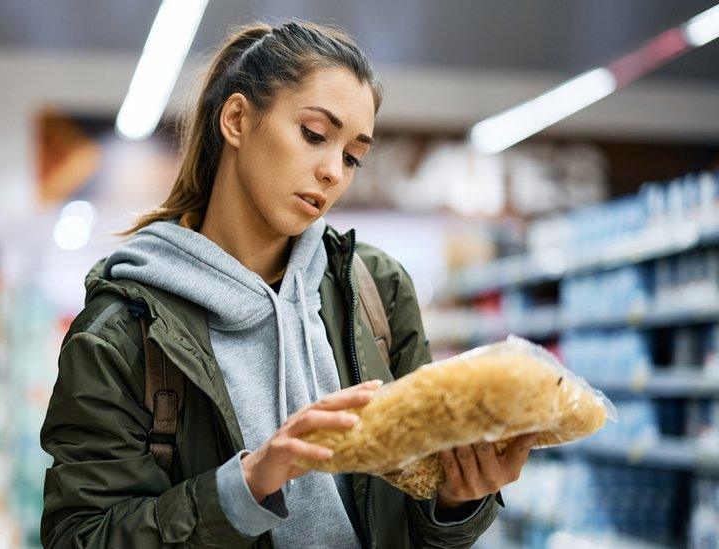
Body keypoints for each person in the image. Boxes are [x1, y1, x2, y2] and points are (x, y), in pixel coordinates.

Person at [40, 20, 537, 548]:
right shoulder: (121, 329)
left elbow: (417, 523)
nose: (333, 173)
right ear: (237, 119)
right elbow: (80, 535)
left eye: (352, 157)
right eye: (315, 135)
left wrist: (457, 503)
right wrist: (246, 486)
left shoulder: (376, 291)